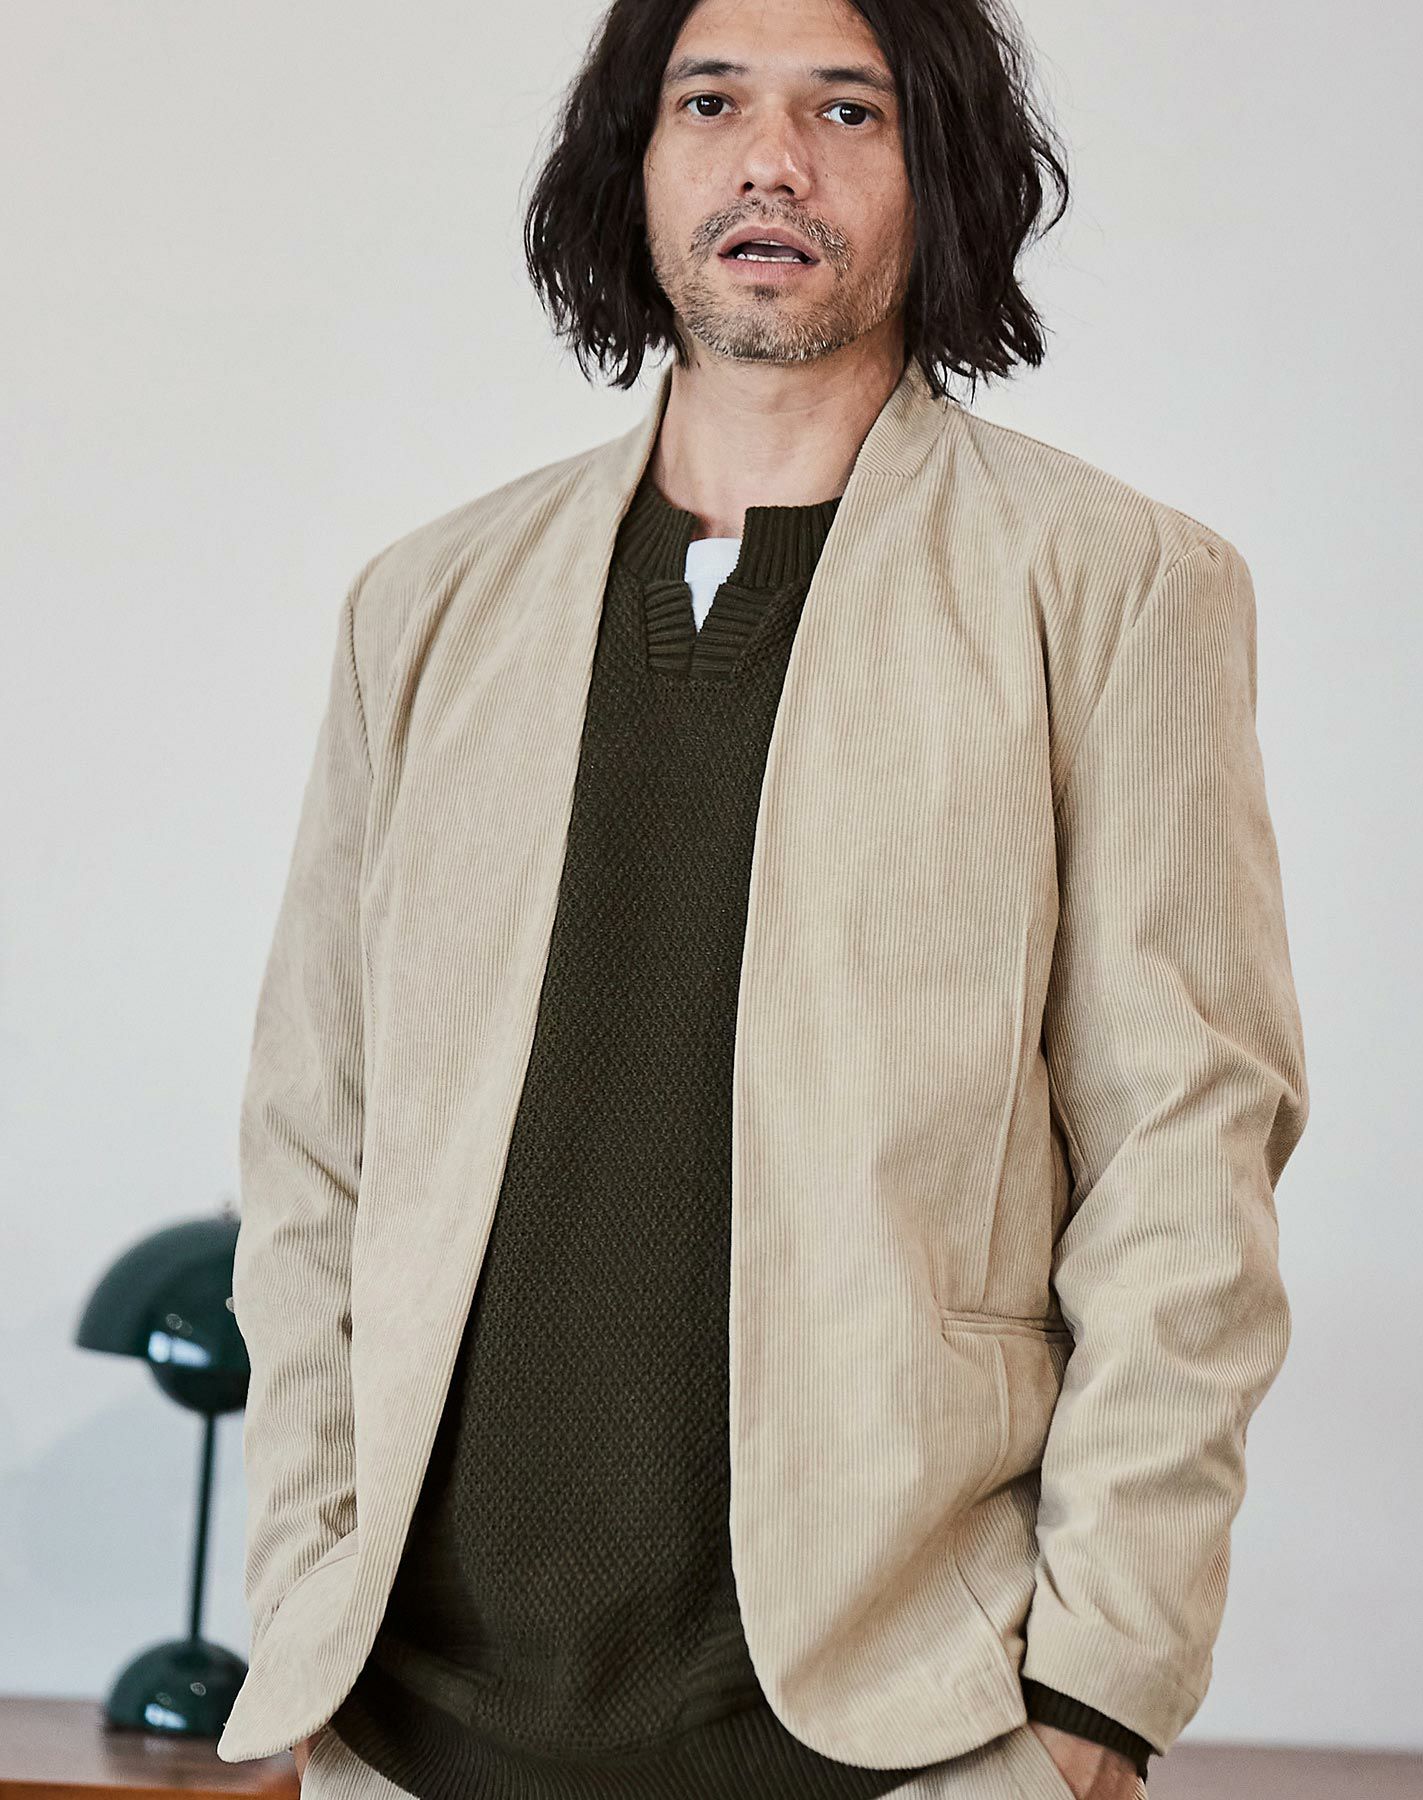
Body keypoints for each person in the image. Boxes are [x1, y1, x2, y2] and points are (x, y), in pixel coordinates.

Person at [216, 1, 1310, 1796]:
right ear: (636, 159)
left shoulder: (1112, 589)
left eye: (848, 112)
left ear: (938, 169)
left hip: (897, 1728)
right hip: (412, 1730)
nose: (772, 163)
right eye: (711, 102)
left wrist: (1100, 1696)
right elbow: (311, 1147)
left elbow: (1186, 1160)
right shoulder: (425, 607)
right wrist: (303, 1596)